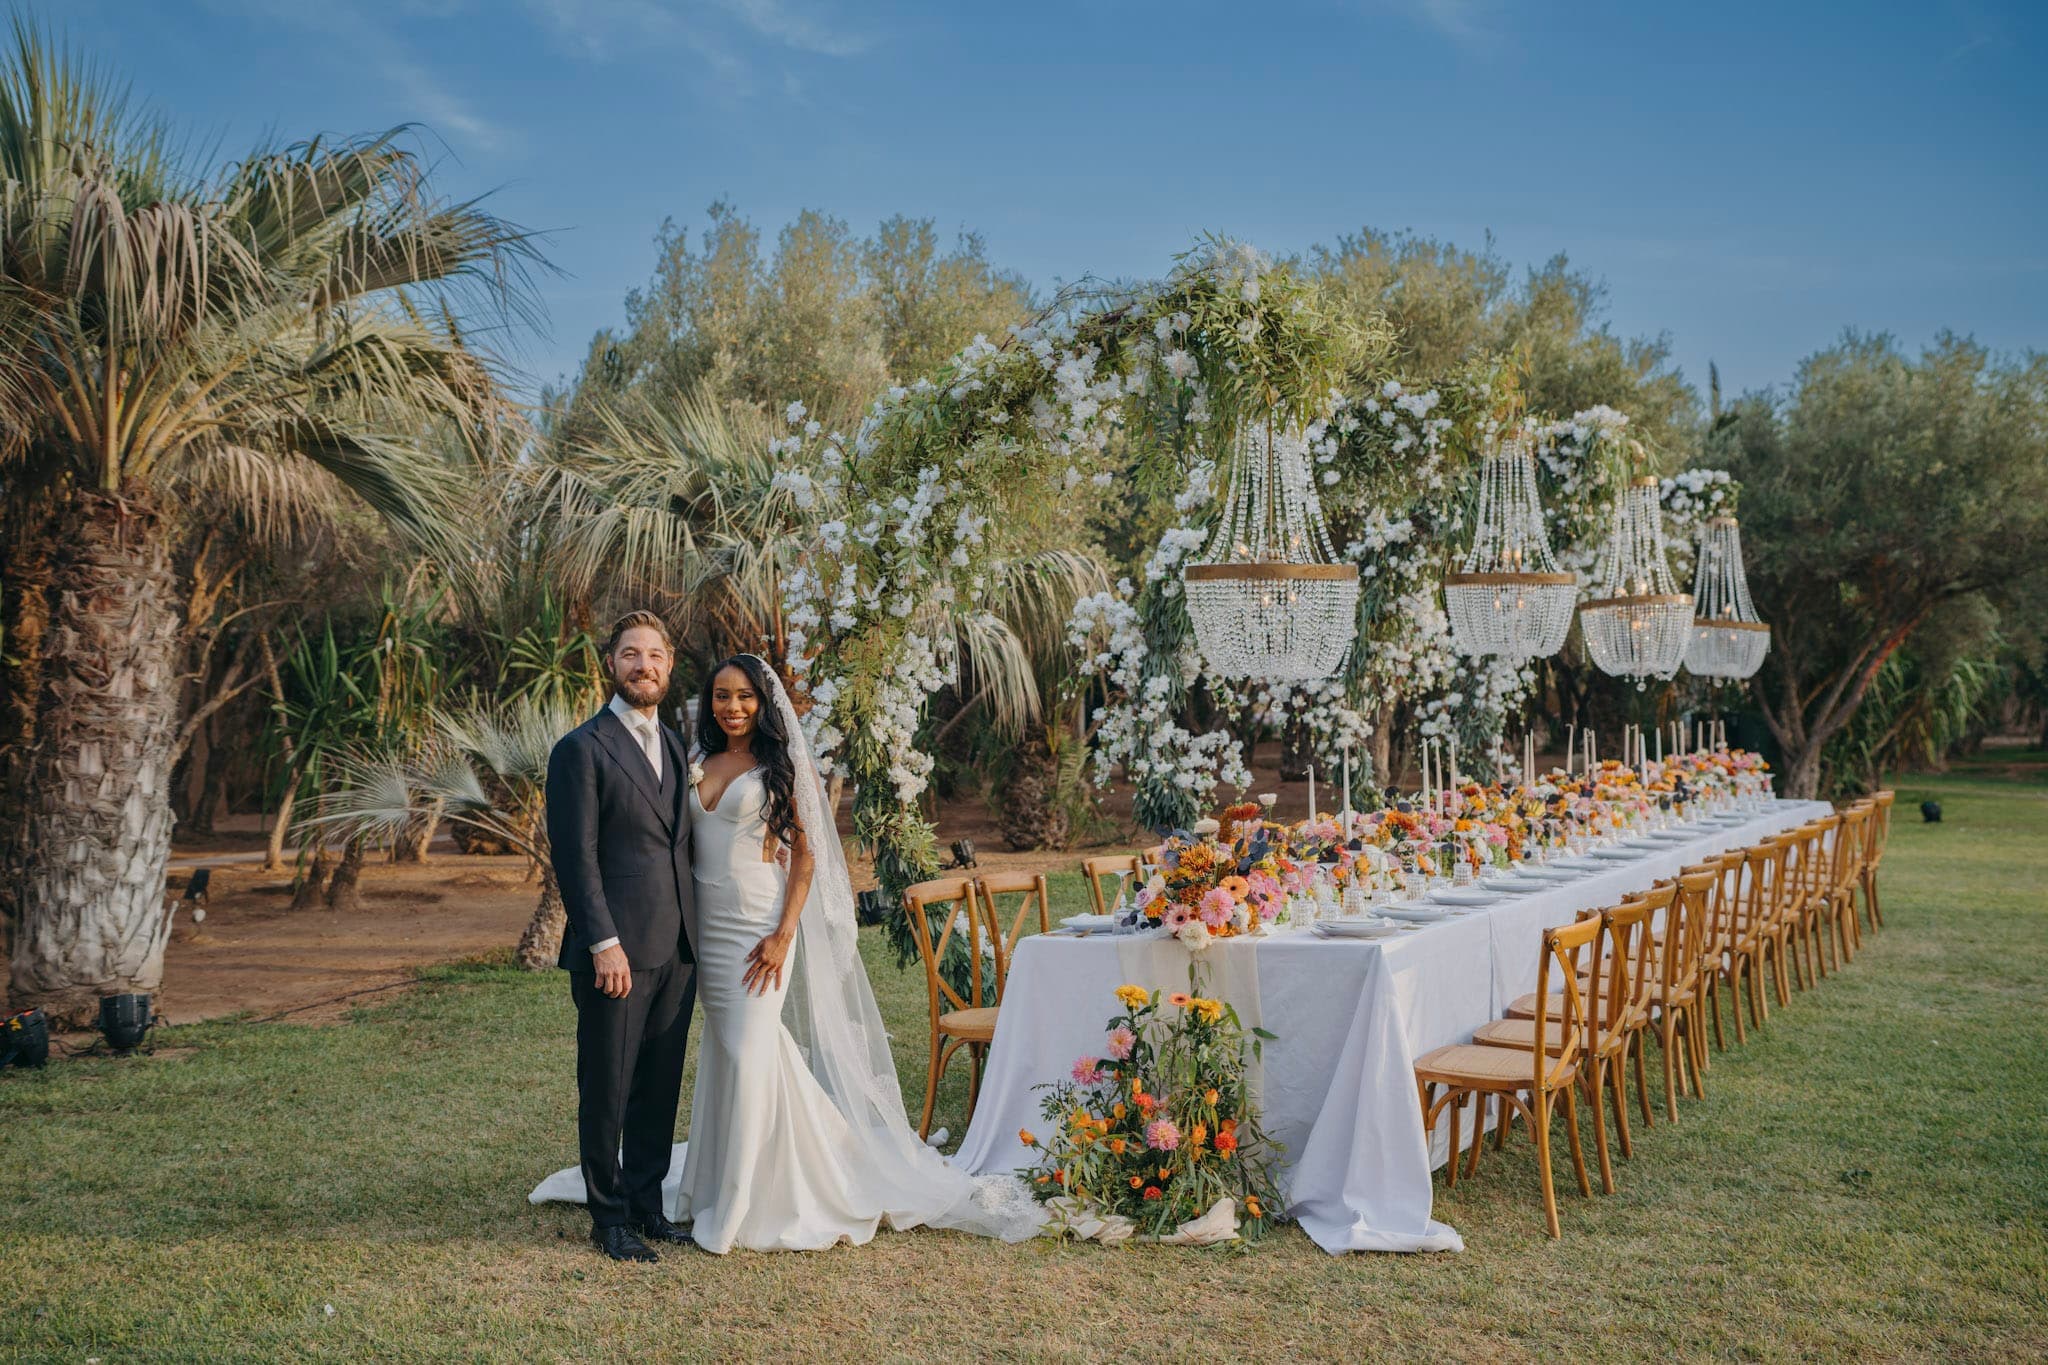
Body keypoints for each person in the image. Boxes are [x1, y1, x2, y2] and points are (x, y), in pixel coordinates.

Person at [533, 653, 1041, 1252]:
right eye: (722, 695)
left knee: (750, 1051)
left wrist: (784, 933)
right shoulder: (689, 758)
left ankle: (747, 1202)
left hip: (758, 927)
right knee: (732, 1055)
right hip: (700, 931)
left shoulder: (780, 765)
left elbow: (806, 856)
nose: (733, 706)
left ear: (763, 702)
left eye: (745, 695)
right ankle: (722, 1183)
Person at [543, 610, 697, 1263]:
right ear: (612, 664)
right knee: (607, 1085)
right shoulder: (581, 748)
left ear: (668, 665)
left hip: (677, 947)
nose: (645, 665)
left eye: (655, 654)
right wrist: (602, 940)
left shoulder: (678, 745)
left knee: (659, 1086)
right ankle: (608, 1218)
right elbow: (575, 858)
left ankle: (646, 1206)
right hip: (618, 953)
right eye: (631, 653)